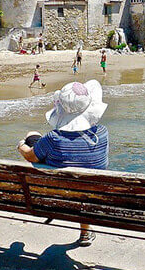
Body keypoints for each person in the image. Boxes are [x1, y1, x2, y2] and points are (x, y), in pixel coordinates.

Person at [17, 80, 109, 246]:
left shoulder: (53, 138)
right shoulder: (102, 133)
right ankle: (85, 232)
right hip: (90, 196)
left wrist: (21, 146)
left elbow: (29, 157)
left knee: (33, 137)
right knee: (83, 181)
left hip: (56, 197)